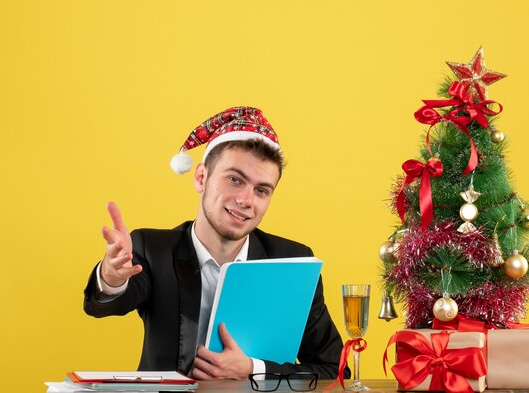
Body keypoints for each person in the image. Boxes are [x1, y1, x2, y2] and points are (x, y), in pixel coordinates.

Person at [83, 107, 347, 380]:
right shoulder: (153, 248)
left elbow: (333, 369)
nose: (246, 200)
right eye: (235, 179)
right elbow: (103, 306)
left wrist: (253, 369)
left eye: (261, 190)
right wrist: (112, 277)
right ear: (201, 177)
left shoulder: (293, 261)